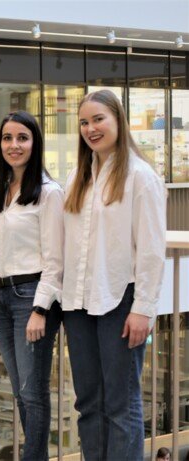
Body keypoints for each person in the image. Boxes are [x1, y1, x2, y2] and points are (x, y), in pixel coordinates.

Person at [63, 89, 166, 460]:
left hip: (119, 301)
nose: (90, 129)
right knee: (88, 403)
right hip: (76, 303)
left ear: (119, 121)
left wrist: (144, 308)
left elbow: (153, 250)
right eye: (84, 123)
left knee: (121, 405)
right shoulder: (77, 177)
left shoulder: (141, 177)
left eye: (98, 120)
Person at [0, 111, 63, 461]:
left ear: (35, 143)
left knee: (33, 392)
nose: (14, 145)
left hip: (32, 298)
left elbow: (56, 258)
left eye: (22, 138)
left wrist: (41, 309)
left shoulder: (49, 192)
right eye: (7, 138)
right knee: (19, 390)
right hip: (0, 294)